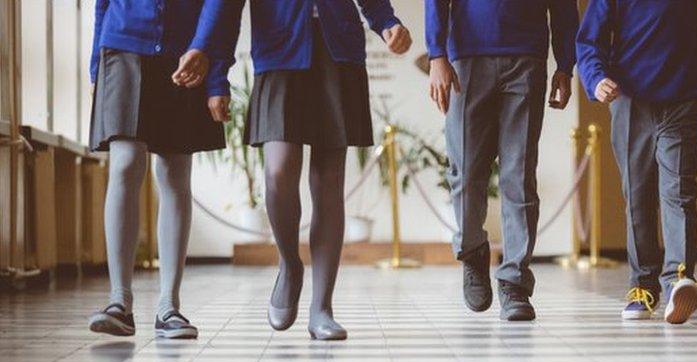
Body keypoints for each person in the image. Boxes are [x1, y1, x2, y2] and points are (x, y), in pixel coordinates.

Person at [214, 0, 412, 340]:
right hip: (279, 49)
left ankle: (322, 308)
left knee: (329, 183)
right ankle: (290, 264)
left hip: (339, 49)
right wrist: (217, 76)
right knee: (277, 173)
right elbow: (225, 9)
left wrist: (387, 22)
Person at [577, 0, 697, 324]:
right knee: (638, 195)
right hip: (630, 100)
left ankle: (677, 281)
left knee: (679, 190)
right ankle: (642, 288)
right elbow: (589, 40)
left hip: (684, 100)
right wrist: (595, 77)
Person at [426, 0, 580, 321]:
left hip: (527, 59)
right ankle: (473, 251)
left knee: (519, 173)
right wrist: (436, 54)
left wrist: (565, 65)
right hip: (466, 60)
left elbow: (565, 7)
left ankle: (514, 282)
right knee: (465, 171)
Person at [87, 0, 231, 340]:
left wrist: (216, 76)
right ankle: (119, 301)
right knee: (124, 163)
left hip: (188, 52)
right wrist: (96, 67)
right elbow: (101, 4)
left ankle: (169, 305)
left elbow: (222, 6)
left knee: (175, 171)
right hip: (121, 46)